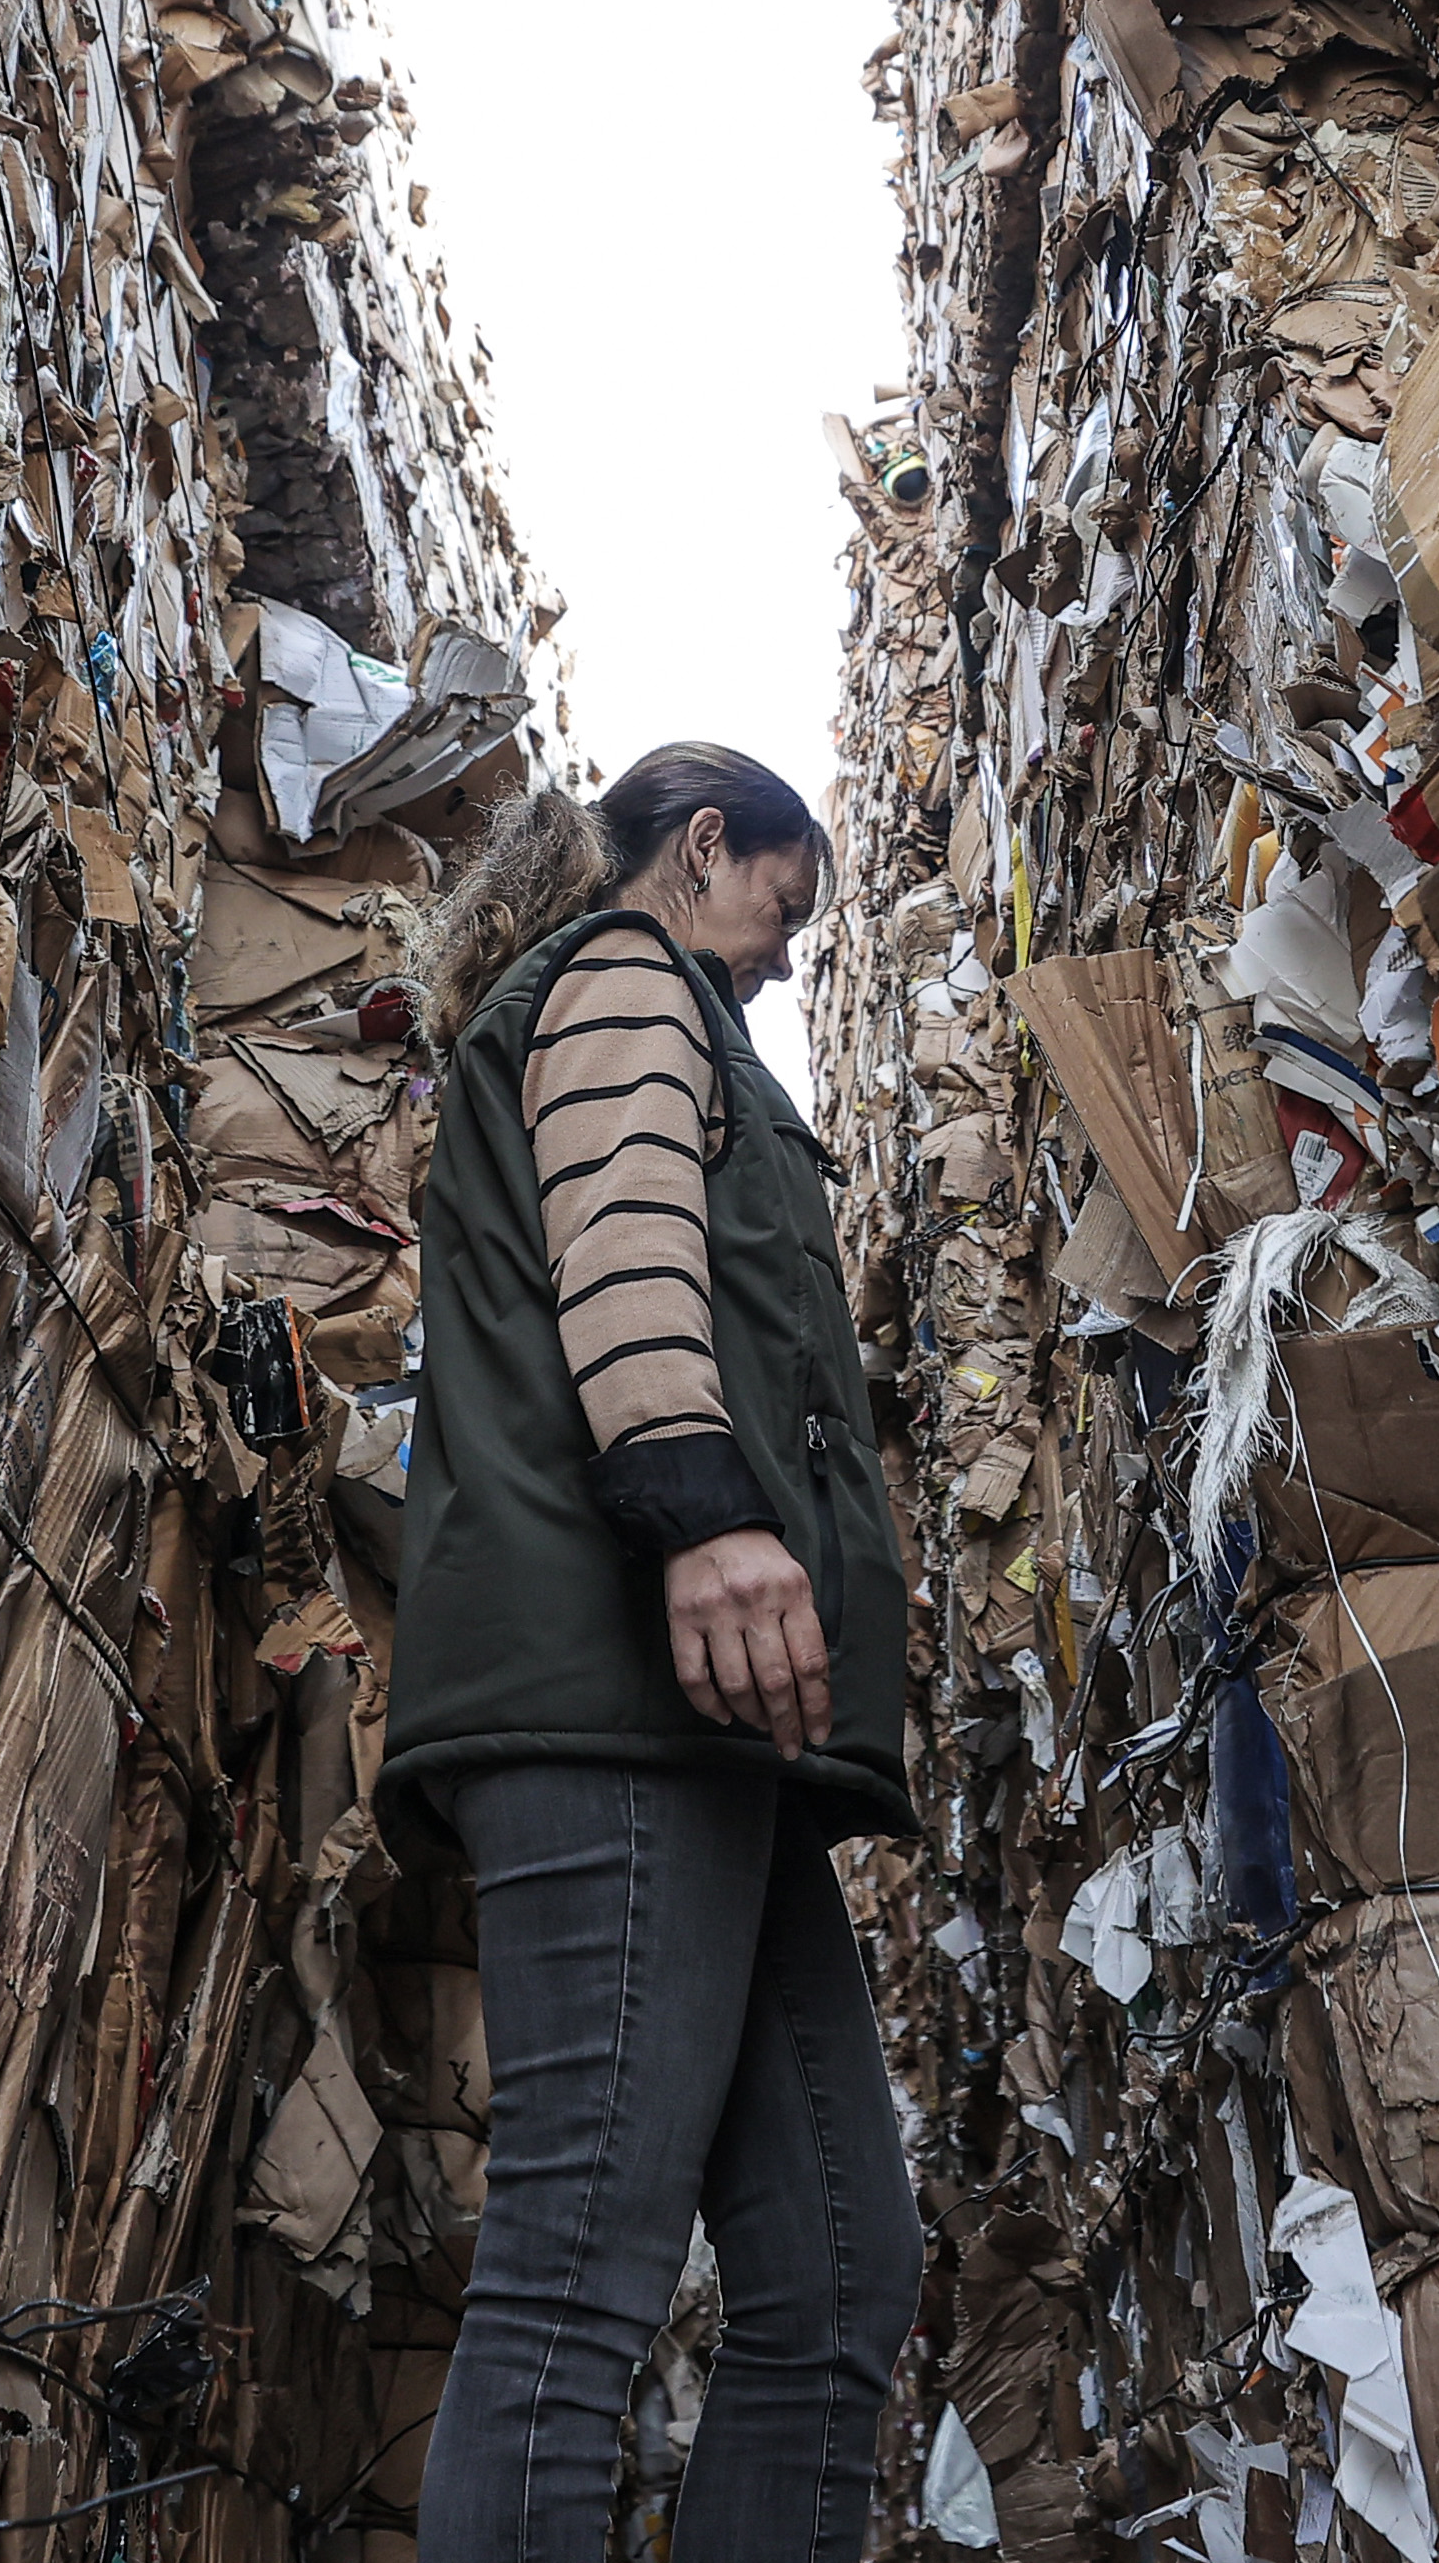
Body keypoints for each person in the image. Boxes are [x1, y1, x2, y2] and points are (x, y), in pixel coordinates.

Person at [382, 743, 916, 2560]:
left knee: (839, 2271)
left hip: (703, 1731)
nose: (784, 954)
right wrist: (703, 1511)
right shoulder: (623, 977)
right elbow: (624, 1242)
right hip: (602, 1697)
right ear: (701, 846)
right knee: (576, 2275)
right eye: (781, 904)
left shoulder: (662, 1007)